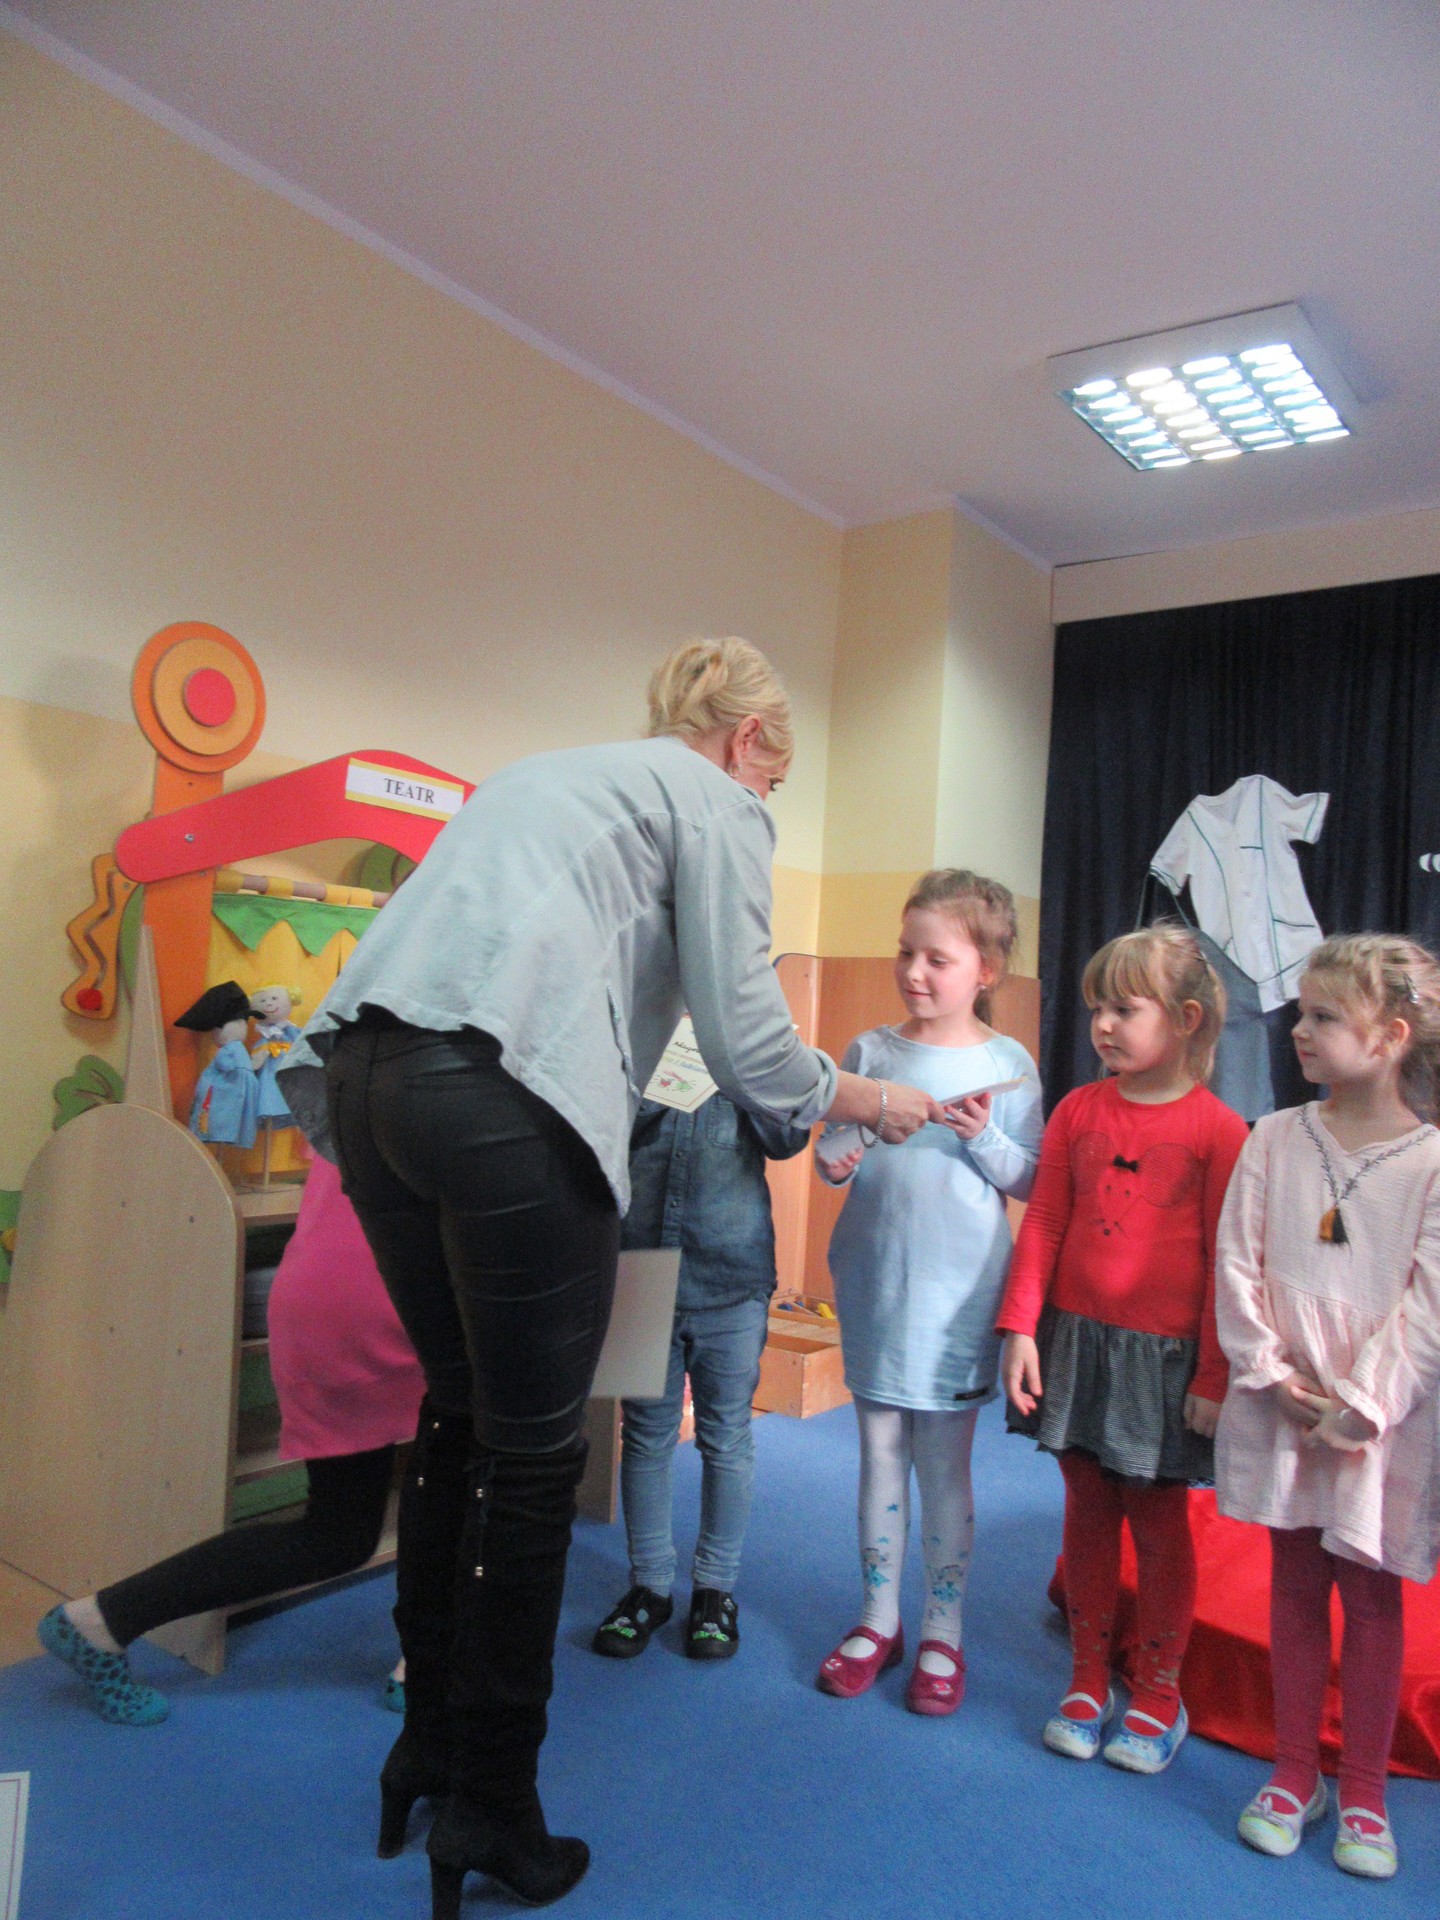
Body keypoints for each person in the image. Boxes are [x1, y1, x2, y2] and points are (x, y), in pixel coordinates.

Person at [276, 637, 944, 1915]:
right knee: (534, 1459)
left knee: (455, 1417)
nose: (769, 796)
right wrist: (866, 1095)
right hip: (501, 1097)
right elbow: (751, 1045)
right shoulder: (719, 802)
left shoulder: (550, 774)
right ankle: (494, 1807)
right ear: (748, 741)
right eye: (777, 774)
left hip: (365, 1083)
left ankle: (426, 1751)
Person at [37, 1156, 424, 1723]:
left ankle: (96, 1623)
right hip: (390, 1308)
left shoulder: (353, 1096)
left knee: (344, 1531)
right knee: (436, 1498)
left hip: (335, 1302)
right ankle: (426, 1656)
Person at [1214, 933, 1440, 1882]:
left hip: (1377, 1419)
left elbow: (1429, 1305)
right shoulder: (1273, 1137)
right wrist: (1269, 1372)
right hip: (1286, 1398)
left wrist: (1361, 1405)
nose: (1299, 1030)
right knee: (1296, 1583)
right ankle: (1296, 1770)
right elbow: (1237, 1263)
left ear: (1389, 1037)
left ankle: (1366, 1793)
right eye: (1301, 1012)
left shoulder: (1431, 1161)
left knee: (1372, 1597)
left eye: (1324, 1016)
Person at [999, 924, 1249, 1773]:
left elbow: (1226, 1264)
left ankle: (1160, 1691)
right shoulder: (1078, 1109)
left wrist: (1214, 1373)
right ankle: (1085, 1677)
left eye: (1124, 1009)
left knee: (1157, 1518)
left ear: (1185, 1020)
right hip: (1077, 1341)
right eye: (1095, 1008)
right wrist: (1021, 1327)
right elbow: (1044, 1220)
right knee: (1087, 1505)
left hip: (1164, 1362)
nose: (1102, 1025)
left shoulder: (1220, 1131)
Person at [814, 870, 1043, 1714]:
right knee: (878, 1453)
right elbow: (833, 1149)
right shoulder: (870, 1051)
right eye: (905, 952)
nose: (914, 971)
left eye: (937, 959)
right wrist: (839, 1154)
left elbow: (1035, 1179)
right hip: (876, 1281)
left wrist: (984, 1139)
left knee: (943, 1467)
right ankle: (879, 1618)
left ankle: (943, 1629)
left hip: (958, 1297)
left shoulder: (1007, 1064)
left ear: (986, 969)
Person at [592, 1088, 808, 1663]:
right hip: (639, 1263)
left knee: (727, 1436)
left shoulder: (753, 1048)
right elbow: (598, 1131)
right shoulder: (635, 1043)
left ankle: (715, 1590)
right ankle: (650, 1587)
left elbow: (789, 1138)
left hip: (733, 1272)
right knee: (644, 1435)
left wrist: (745, 1074)